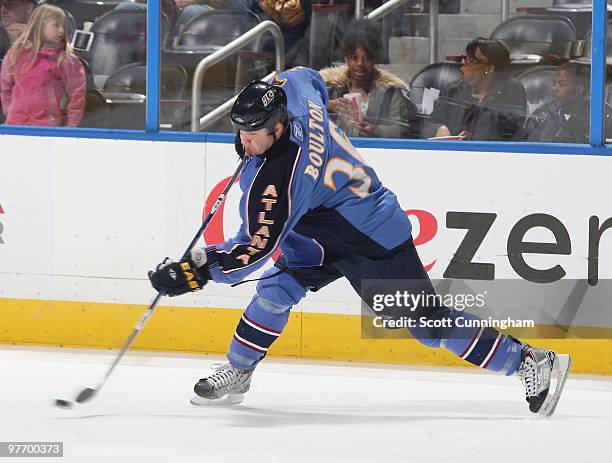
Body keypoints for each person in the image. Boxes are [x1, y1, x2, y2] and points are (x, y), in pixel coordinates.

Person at [148, 67, 571, 416]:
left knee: (426, 323)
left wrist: (194, 270)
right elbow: (307, 76)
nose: (245, 141)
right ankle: (239, 370)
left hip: (369, 236)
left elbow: (251, 251)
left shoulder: (283, 181)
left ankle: (529, 360)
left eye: (254, 133)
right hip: (319, 230)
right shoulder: (292, 92)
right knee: (277, 290)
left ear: (279, 127)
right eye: (240, 131)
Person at [320, 19, 416, 139]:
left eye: (367, 58)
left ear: (375, 59)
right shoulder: (328, 88)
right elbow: (304, 117)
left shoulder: (390, 91)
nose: (360, 63)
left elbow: (403, 130)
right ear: (346, 59)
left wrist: (376, 131)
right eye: (354, 58)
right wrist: (326, 105)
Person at [422, 38, 526, 141]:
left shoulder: (510, 92)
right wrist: (438, 129)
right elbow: (429, 124)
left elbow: (510, 133)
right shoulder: (453, 90)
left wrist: (475, 139)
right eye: (464, 58)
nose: (463, 64)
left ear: (489, 69)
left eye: (471, 61)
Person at [0, 3, 85, 126]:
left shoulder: (66, 60)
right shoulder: (16, 54)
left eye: (64, 27)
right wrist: (10, 113)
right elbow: (6, 87)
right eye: (56, 25)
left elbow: (77, 94)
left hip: (48, 126)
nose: (61, 30)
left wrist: (71, 126)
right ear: (39, 26)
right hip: (15, 124)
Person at [524, 62, 590, 143]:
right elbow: (525, 148)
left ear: (578, 90)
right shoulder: (542, 115)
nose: (554, 89)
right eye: (554, 84)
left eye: (562, 84)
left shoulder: (598, 118)